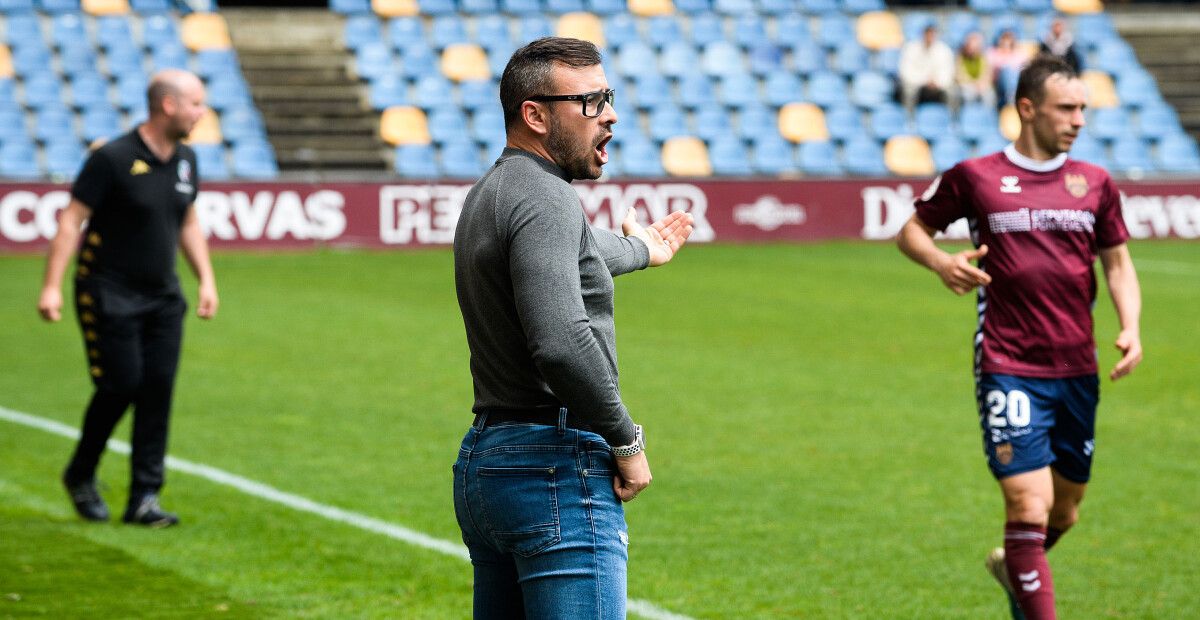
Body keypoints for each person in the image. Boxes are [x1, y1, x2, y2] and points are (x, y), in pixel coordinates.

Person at [452, 37, 693, 619]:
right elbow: (561, 342)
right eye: (589, 101)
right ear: (535, 115)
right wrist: (625, 440)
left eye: (606, 96)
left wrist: (641, 248)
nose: (608, 113)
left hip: (489, 463)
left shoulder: (492, 192)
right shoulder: (548, 198)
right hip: (555, 467)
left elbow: (577, 253)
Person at [896, 55, 1142, 620]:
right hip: (1008, 362)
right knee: (1030, 502)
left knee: (1066, 510)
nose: (1080, 119)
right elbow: (912, 230)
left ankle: (1015, 565)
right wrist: (940, 263)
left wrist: (1130, 326)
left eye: (1083, 108)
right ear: (1026, 109)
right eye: (1067, 108)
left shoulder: (1096, 183)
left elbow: (1119, 264)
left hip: (1077, 366)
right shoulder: (975, 177)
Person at [38, 69, 218, 528]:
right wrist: (52, 285)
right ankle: (81, 473)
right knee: (121, 385)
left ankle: (144, 498)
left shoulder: (186, 161)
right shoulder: (113, 158)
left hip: (163, 298)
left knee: (157, 392)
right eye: (195, 103)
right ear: (169, 105)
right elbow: (70, 220)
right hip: (107, 291)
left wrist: (206, 280)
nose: (202, 112)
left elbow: (188, 222)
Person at [899, 22, 957, 116]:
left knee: (953, 92)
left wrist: (937, 81)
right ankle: (909, 118)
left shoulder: (944, 50)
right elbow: (905, 72)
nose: (929, 37)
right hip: (917, 83)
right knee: (908, 91)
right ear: (923, 35)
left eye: (932, 34)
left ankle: (951, 119)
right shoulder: (911, 48)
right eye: (927, 34)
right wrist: (924, 80)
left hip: (938, 84)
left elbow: (948, 72)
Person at [988, 29, 1032, 104]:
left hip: (1017, 81)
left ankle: (1013, 95)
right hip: (998, 84)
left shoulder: (1019, 54)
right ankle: (1012, 96)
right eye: (1004, 40)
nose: (1006, 43)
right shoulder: (992, 53)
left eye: (1008, 41)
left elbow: (1026, 67)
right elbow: (990, 70)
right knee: (1006, 71)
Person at [957, 31, 997, 110]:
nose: (972, 50)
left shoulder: (983, 58)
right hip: (967, 85)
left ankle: (988, 115)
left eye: (975, 47)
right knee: (967, 94)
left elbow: (987, 74)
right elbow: (960, 76)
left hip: (981, 85)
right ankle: (967, 115)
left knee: (989, 94)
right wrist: (973, 83)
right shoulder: (961, 58)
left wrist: (981, 83)